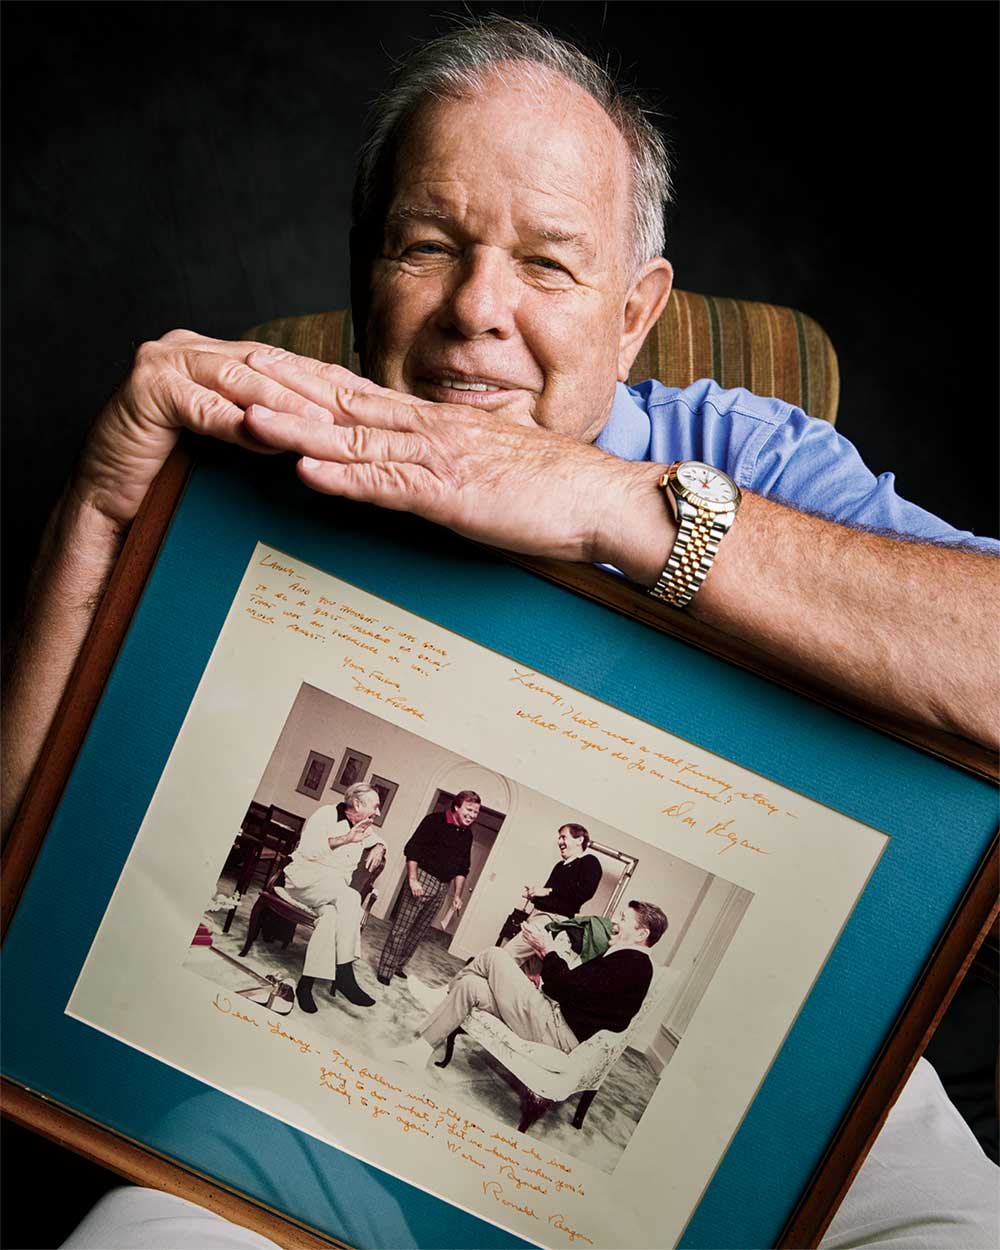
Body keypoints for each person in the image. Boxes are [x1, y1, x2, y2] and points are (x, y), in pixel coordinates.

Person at [3, 15, 997, 1250]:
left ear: (634, 314)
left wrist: (613, 501)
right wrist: (101, 505)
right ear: (368, 266)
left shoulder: (750, 452)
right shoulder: (245, 458)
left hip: (791, 1062)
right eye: (429, 245)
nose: (477, 308)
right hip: (291, 1110)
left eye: (545, 263)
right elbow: (24, 866)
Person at [388, 899, 666, 1067]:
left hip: (555, 1032)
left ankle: (442, 996)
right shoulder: (629, 961)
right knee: (471, 987)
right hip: (551, 1020)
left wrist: (547, 950)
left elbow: (564, 988)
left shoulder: (631, 964)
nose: (613, 921)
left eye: (622, 919)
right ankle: (419, 1050)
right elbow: (577, 990)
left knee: (495, 955)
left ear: (641, 932)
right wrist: (546, 985)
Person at [280, 781, 385, 1012]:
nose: (378, 812)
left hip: (330, 893)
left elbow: (380, 840)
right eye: (375, 806)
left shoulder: (364, 826)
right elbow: (307, 850)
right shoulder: (326, 815)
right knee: (350, 898)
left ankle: (305, 986)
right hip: (304, 882)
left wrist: (379, 847)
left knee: (330, 918)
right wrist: (347, 838)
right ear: (357, 803)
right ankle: (345, 973)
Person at [376, 789, 480, 984]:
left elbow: (462, 868)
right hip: (422, 877)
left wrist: (457, 895)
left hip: (443, 886)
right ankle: (386, 969)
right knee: (403, 926)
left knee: (420, 929)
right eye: (469, 809)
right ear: (457, 806)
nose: (473, 815)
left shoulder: (467, 835)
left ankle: (399, 965)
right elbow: (412, 849)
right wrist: (413, 879)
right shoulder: (435, 821)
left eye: (476, 812)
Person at [499, 823, 602, 964]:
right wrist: (534, 895)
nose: (559, 842)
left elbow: (584, 892)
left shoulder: (589, 862)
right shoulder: (560, 866)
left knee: (506, 957)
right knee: (525, 970)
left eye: (563, 837)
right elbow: (554, 896)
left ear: (579, 840)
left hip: (550, 920)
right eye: (559, 838)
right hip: (537, 917)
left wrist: (548, 891)